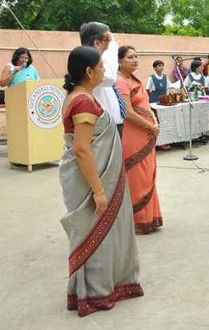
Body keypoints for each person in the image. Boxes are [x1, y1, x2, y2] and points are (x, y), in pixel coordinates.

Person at [59, 46, 142, 317]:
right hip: (91, 178)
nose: (104, 71)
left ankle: (103, 285)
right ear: (88, 71)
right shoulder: (83, 101)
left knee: (100, 231)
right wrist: (98, 191)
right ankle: (94, 293)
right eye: (101, 67)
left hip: (94, 174)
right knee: (96, 232)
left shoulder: (79, 95)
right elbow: (82, 149)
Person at [116, 46, 163, 234]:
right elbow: (128, 112)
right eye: (130, 57)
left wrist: (154, 119)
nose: (135, 60)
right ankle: (138, 221)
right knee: (137, 177)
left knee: (148, 174)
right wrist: (151, 127)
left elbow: (145, 104)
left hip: (146, 134)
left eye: (136, 56)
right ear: (119, 61)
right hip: (133, 135)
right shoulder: (120, 82)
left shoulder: (134, 79)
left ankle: (150, 217)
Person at [79, 22, 126, 136]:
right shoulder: (88, 61)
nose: (111, 43)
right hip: (102, 127)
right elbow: (110, 77)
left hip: (112, 123)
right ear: (97, 42)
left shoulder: (101, 59)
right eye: (108, 40)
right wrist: (113, 46)